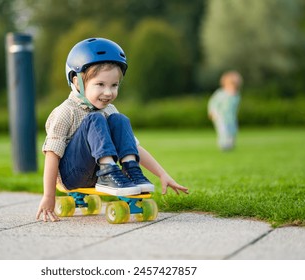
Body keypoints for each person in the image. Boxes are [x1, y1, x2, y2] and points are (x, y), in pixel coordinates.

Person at [36, 38, 189, 222]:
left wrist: (162, 174)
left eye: (114, 85)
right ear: (77, 82)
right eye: (100, 84)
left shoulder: (110, 110)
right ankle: (108, 169)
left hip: (99, 175)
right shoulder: (65, 112)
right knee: (95, 118)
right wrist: (49, 195)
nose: (108, 92)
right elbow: (52, 155)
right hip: (71, 176)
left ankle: (130, 170)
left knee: (119, 119)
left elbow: (134, 146)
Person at [207, 70, 243, 151]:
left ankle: (230, 144)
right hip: (221, 116)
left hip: (231, 117)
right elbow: (213, 103)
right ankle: (223, 144)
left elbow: (235, 107)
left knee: (233, 131)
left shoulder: (237, 95)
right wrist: (212, 112)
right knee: (223, 131)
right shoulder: (221, 94)